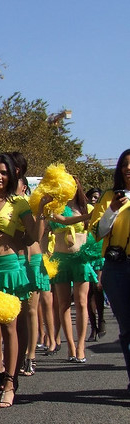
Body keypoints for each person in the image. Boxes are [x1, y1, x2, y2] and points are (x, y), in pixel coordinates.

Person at [0, 154, 44, 407]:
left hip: (9, 268)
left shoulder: (19, 203)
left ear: (11, 176)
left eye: (4, 173)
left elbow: (33, 235)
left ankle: (9, 382)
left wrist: (42, 210)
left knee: (9, 327)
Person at [89, 151, 130, 390]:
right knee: (127, 328)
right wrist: (112, 209)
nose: (128, 168)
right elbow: (97, 233)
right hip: (118, 267)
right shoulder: (109, 196)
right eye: (124, 165)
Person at [48, 179, 94, 363]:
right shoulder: (55, 208)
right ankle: (71, 346)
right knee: (63, 303)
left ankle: (81, 345)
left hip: (81, 259)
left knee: (82, 302)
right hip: (61, 259)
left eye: (72, 185)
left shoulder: (87, 208)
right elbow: (63, 221)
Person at [84, 187, 106, 342]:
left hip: (100, 252)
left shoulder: (104, 211)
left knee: (98, 287)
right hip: (85, 253)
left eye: (96, 197)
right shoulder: (84, 211)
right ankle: (93, 328)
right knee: (88, 292)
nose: (93, 199)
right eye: (91, 196)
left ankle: (101, 319)